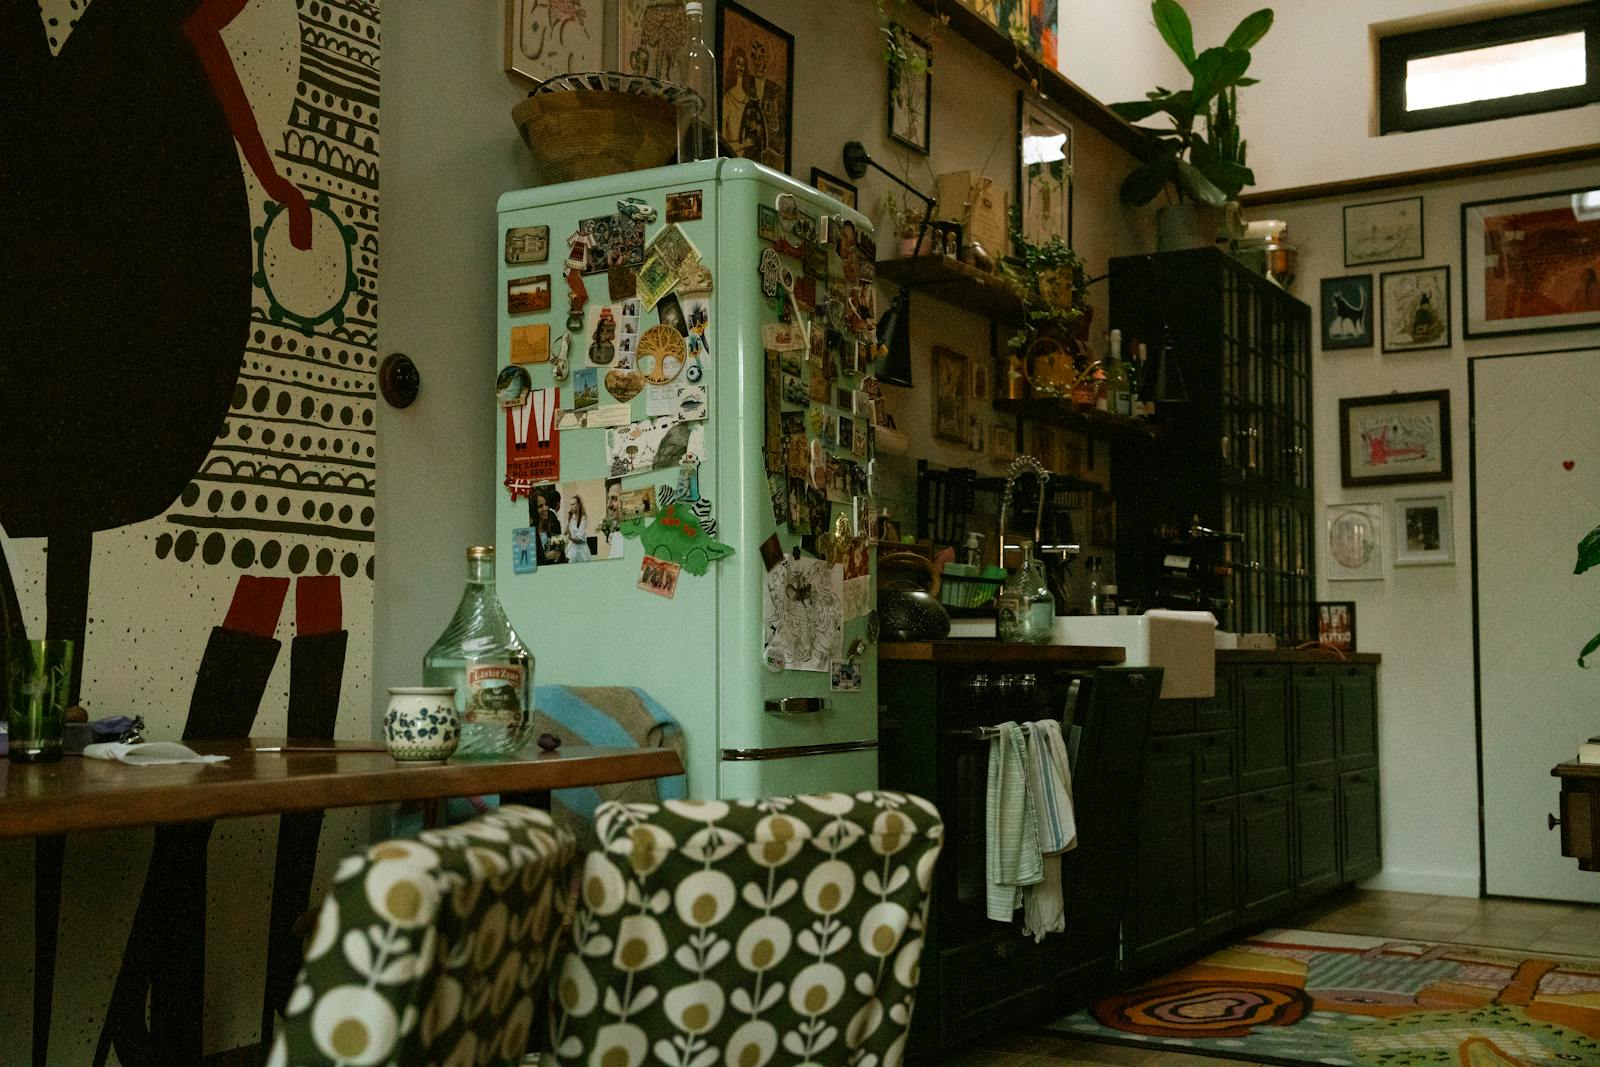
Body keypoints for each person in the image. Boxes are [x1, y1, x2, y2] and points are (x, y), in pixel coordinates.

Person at [721, 48, 753, 156]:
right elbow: (724, 144)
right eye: (738, 63)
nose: (740, 67)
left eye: (743, 64)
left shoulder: (748, 99)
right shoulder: (727, 98)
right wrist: (746, 143)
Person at [532, 488, 564, 565]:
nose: (545, 508)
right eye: (540, 506)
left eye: (546, 504)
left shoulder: (551, 526)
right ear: (533, 509)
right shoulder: (530, 531)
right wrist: (545, 556)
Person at [566, 494, 591, 563]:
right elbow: (567, 531)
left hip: (581, 551)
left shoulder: (583, 518)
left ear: (579, 504)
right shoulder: (571, 517)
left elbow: (579, 539)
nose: (571, 507)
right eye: (570, 504)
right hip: (572, 548)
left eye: (573, 504)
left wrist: (569, 538)